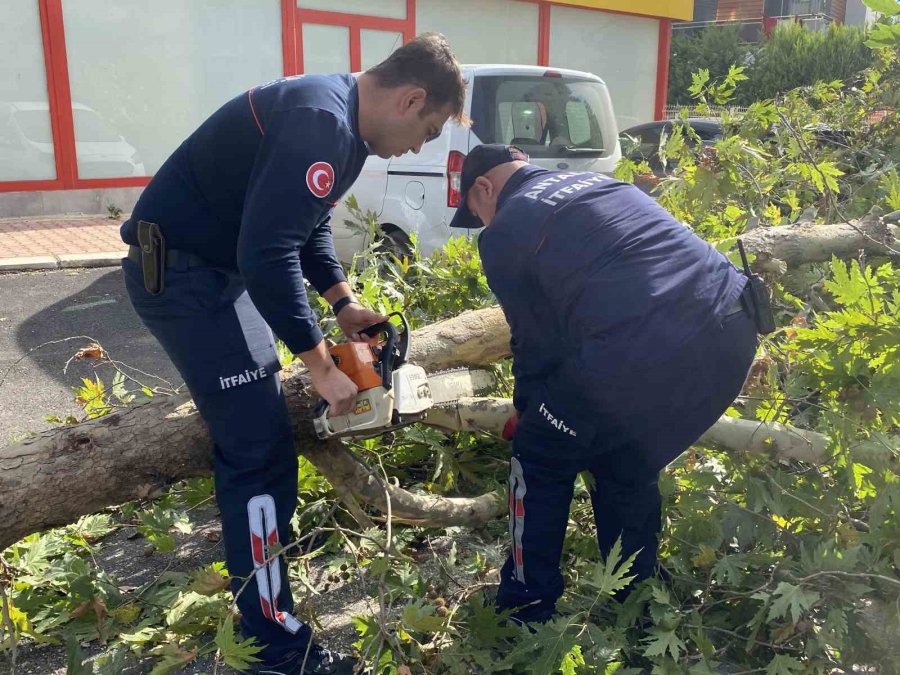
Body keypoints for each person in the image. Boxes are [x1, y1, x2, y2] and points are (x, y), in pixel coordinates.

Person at [120, 34, 467, 674]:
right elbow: (267, 252)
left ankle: (265, 590)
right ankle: (273, 646)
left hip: (222, 273)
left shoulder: (341, 125)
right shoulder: (321, 123)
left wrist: (342, 302)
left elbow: (299, 232)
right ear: (412, 97)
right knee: (256, 451)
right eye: (430, 126)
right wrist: (322, 367)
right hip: (185, 277)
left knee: (264, 429)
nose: (424, 144)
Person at [448, 144, 760, 625]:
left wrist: (531, 413)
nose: (484, 224)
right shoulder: (603, 184)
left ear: (484, 188)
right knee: (625, 453)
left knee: (539, 453)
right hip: (732, 331)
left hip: (643, 349)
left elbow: (535, 343)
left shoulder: (507, 229)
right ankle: (636, 597)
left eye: (477, 213)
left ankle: (526, 608)